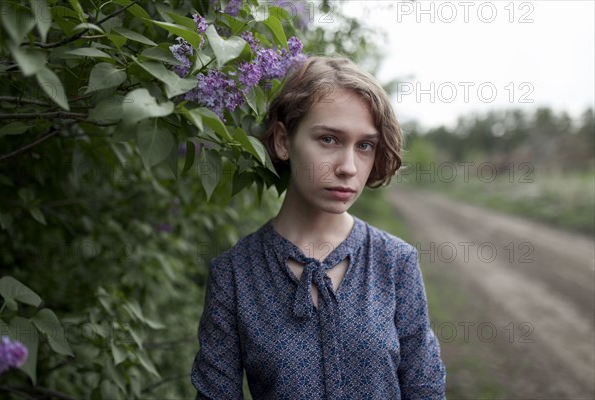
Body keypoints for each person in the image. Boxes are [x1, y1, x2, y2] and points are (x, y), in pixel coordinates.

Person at [190, 56, 446, 399]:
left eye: (365, 146)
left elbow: (425, 390)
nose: (348, 167)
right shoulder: (235, 276)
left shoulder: (395, 262)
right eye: (329, 139)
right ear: (283, 141)